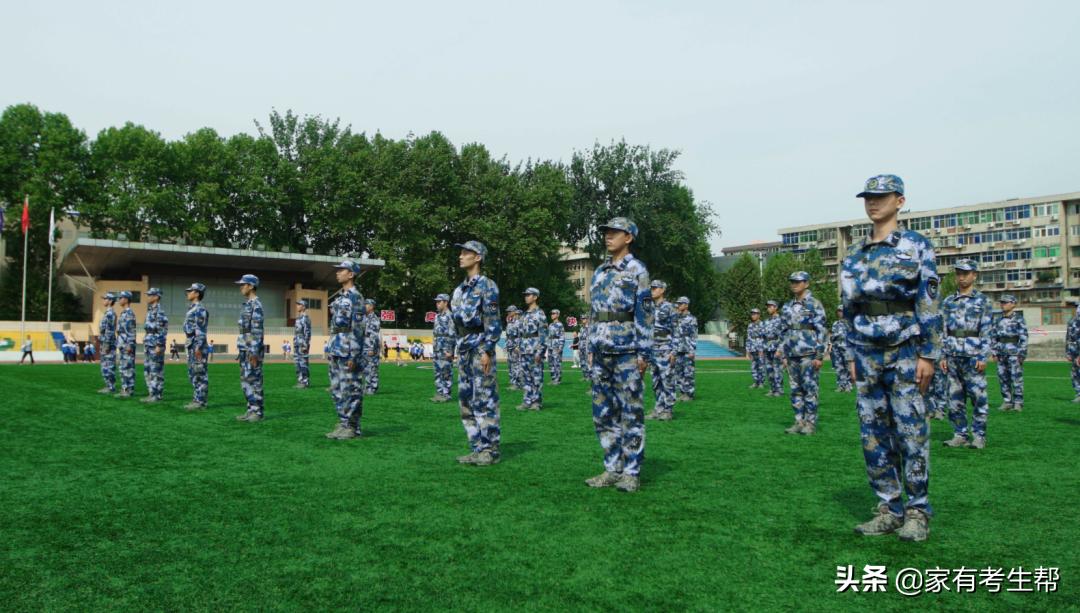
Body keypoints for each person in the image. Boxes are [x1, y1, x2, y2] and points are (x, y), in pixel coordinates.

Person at [842, 173, 940, 542]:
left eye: (881, 196)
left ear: (899, 201)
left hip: (904, 349)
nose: (873, 202)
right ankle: (888, 508)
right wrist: (851, 351)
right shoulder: (856, 255)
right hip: (866, 353)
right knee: (873, 434)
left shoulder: (916, 246)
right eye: (868, 196)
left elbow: (927, 301)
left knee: (911, 432)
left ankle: (917, 512)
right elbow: (849, 307)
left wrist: (929, 353)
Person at [585, 218, 653, 492]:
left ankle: (631, 472)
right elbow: (593, 313)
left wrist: (644, 353)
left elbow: (644, 313)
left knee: (631, 413)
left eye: (614, 232)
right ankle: (612, 468)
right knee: (603, 413)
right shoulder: (600, 271)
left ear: (629, 237)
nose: (608, 237)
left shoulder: (637, 270)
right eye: (606, 233)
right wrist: (589, 346)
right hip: (601, 351)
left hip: (627, 351)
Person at [450, 240, 502, 465]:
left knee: (484, 398)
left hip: (480, 345)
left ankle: (490, 449)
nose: (461, 256)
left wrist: (487, 350)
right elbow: (456, 323)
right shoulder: (459, 290)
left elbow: (493, 321)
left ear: (478, 257)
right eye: (460, 253)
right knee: (465, 400)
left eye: (466, 253)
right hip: (464, 348)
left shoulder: (487, 286)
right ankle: (476, 446)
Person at [940, 259, 992, 449]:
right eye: (959, 273)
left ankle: (978, 436)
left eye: (966, 273)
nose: (962, 277)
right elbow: (943, 330)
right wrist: (943, 355)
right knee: (954, 398)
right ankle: (959, 434)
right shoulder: (947, 302)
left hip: (973, 355)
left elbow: (987, 329)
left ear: (974, 275)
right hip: (953, 355)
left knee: (978, 398)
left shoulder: (983, 301)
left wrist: (983, 355)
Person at [777, 272, 827, 435]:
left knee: (810, 389)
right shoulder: (787, 306)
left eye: (798, 282)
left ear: (806, 283)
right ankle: (799, 421)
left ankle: (810, 423)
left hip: (809, 353)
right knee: (795, 390)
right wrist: (783, 353)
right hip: (792, 354)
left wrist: (820, 355)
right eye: (792, 281)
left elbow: (821, 330)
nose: (794, 284)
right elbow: (783, 330)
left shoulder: (814, 304)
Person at [325, 261, 367, 439]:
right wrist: (329, 345)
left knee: (351, 388)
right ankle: (343, 422)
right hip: (337, 347)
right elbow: (335, 326)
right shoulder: (341, 298)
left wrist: (354, 354)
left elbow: (358, 328)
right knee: (337, 388)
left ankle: (352, 426)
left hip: (348, 349)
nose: (338, 273)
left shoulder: (355, 297)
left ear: (351, 274)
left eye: (341, 270)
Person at [235, 274, 266, 423]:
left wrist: (253, 351)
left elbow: (256, 330)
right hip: (244, 347)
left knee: (254, 379)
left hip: (252, 349)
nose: (241, 287)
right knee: (245, 380)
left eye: (243, 284)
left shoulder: (256, 305)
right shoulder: (247, 304)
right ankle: (250, 409)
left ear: (251, 286)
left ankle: (258, 411)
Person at [646, 280, 677, 421]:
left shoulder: (669, 307)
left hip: (665, 349)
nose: (652, 290)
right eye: (651, 288)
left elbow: (676, 330)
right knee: (656, 382)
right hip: (652, 350)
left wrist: (674, 351)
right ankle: (659, 409)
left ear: (662, 290)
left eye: (655, 288)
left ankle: (668, 410)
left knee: (667, 380)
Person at [990, 294, 1027, 412]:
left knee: (1016, 378)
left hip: (1014, 352)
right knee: (1003, 378)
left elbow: (1024, 337)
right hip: (1001, 353)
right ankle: (1007, 401)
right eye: (1002, 302)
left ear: (1013, 304)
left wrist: (1022, 353)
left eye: (1005, 302)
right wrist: (994, 352)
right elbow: (993, 337)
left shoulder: (1019, 319)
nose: (1003, 305)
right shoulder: (998, 320)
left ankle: (1018, 402)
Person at [518, 288, 547, 411]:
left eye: (528, 295)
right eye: (525, 295)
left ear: (535, 297)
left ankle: (536, 402)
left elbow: (544, 334)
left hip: (534, 349)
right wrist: (519, 346)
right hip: (525, 349)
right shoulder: (524, 314)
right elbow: (521, 333)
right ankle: (527, 400)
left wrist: (540, 351)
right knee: (526, 377)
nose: (526, 297)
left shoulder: (540, 314)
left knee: (536, 376)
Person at [183, 283, 210, 410]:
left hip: (197, 344)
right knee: (193, 373)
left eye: (191, 291)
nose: (188, 293)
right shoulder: (192, 308)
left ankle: (201, 402)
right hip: (192, 343)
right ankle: (197, 399)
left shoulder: (199, 309)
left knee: (200, 373)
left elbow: (200, 329)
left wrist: (198, 347)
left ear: (197, 293)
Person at [142, 287, 168, 403]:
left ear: (156, 297)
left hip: (155, 344)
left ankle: (156, 395)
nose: (148, 297)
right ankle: (151, 393)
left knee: (156, 370)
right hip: (148, 343)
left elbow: (162, 330)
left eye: (150, 295)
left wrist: (159, 345)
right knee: (148, 370)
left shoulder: (159, 312)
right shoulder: (150, 311)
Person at [431, 293, 456, 402]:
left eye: (439, 302)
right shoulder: (437, 316)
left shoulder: (450, 316)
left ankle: (446, 395)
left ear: (446, 302)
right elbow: (435, 333)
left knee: (446, 371)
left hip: (446, 348)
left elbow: (453, 334)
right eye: (436, 302)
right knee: (437, 371)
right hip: (437, 348)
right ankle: (439, 393)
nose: (437, 304)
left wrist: (450, 351)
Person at [673, 297, 698, 402]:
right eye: (678, 304)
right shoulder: (676, 318)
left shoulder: (692, 319)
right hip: (677, 349)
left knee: (688, 372)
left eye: (681, 303)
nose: (679, 305)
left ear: (686, 305)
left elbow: (694, 335)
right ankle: (683, 393)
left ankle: (689, 394)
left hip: (687, 348)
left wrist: (692, 350)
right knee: (678, 373)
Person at [762, 300, 785, 396]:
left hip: (776, 347)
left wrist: (780, 349)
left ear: (776, 307)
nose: (768, 308)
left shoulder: (780, 320)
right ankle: (772, 389)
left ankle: (779, 390)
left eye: (771, 306)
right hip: (767, 347)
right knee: (769, 369)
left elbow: (783, 336)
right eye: (768, 306)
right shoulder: (766, 321)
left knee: (777, 369)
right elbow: (764, 336)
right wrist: (763, 348)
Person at [829, 306, 854, 392]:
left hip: (847, 348)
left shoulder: (850, 323)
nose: (840, 313)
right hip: (837, 348)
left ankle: (848, 386)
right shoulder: (835, 323)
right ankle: (841, 385)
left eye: (842, 311)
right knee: (839, 367)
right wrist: (831, 344)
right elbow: (832, 336)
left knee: (848, 367)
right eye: (839, 311)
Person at [97, 292, 118, 394]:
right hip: (105, 342)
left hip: (108, 343)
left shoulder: (110, 314)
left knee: (109, 365)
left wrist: (107, 345)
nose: (103, 300)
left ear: (110, 301)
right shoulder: (107, 313)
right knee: (105, 365)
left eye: (105, 299)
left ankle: (111, 387)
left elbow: (109, 330)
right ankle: (108, 386)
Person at [362, 299, 382, 394]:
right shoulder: (365, 318)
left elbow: (374, 335)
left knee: (372, 368)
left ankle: (372, 388)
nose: (364, 306)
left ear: (371, 306)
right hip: (364, 346)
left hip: (371, 347)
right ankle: (367, 386)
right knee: (366, 369)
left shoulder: (374, 319)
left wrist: (371, 348)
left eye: (366, 304)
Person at [746, 308, 767, 388]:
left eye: (755, 314)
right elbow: (748, 338)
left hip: (760, 348)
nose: (753, 315)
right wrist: (747, 351)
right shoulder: (750, 325)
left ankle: (761, 382)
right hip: (752, 348)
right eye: (752, 314)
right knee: (753, 366)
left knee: (761, 366)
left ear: (758, 315)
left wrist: (762, 349)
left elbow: (765, 337)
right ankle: (756, 381)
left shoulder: (762, 324)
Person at [293, 299, 312, 389]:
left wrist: (305, 345)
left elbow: (307, 332)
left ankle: (305, 382)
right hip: (297, 343)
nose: (297, 306)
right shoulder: (298, 318)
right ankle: (300, 381)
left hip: (302, 344)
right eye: (297, 304)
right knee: (297, 363)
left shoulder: (305, 318)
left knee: (303, 363)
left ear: (304, 307)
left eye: (299, 305)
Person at [505, 306, 522, 390]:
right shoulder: (510, 322)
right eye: (508, 311)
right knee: (510, 365)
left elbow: (521, 335)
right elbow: (508, 336)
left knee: (516, 365)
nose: (508, 313)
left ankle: (518, 384)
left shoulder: (518, 322)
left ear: (515, 312)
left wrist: (518, 346)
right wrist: (506, 345)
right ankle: (513, 382)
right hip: (510, 346)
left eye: (510, 311)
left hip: (515, 346)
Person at [547, 309, 565, 385]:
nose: (552, 315)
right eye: (551, 313)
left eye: (554, 313)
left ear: (558, 315)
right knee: (550, 363)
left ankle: (558, 379)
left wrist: (560, 347)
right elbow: (548, 336)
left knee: (557, 363)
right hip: (550, 345)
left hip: (556, 345)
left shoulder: (560, 325)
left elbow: (562, 336)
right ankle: (553, 378)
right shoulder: (550, 325)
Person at [1068, 305, 1080, 403]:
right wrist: (1068, 352)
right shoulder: (1071, 322)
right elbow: (1068, 338)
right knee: (1074, 373)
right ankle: (1079, 394)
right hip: (1074, 351)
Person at [578, 314, 592, 388]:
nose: (582, 319)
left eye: (584, 318)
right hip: (581, 346)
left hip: (587, 346)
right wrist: (579, 348)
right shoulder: (581, 328)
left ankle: (589, 376)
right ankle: (585, 376)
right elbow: (580, 338)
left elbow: (590, 339)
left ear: (587, 319)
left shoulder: (590, 327)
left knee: (588, 362)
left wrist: (590, 349)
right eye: (582, 318)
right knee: (582, 361)